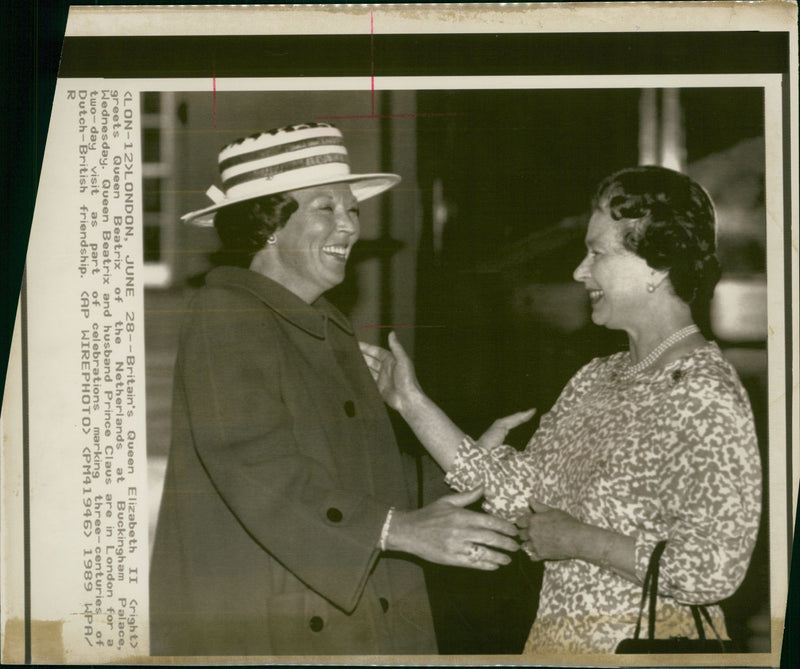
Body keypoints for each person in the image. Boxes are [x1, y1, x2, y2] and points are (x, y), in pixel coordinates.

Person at [149, 122, 520, 656]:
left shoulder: (327, 326)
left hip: (343, 609)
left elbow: (359, 474)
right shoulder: (226, 313)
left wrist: (458, 466)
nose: (349, 225)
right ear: (268, 225)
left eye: (352, 210)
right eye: (326, 208)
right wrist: (400, 530)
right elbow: (254, 465)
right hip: (275, 621)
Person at [360, 165, 762, 654]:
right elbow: (524, 500)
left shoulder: (703, 394)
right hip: (559, 646)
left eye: (597, 253)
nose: (579, 271)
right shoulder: (598, 376)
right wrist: (410, 401)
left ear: (658, 266)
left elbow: (713, 570)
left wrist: (576, 539)